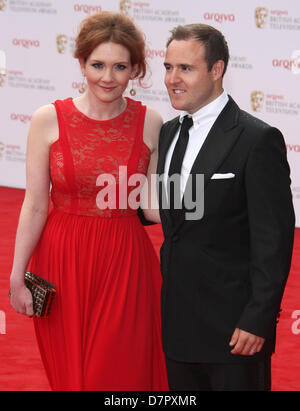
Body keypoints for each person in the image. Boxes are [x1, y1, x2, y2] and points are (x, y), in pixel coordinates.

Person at [9, 11, 168, 391]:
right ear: (81, 62)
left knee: (115, 374)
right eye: (97, 64)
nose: (108, 78)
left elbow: (150, 205)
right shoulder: (47, 119)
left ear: (136, 70)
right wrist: (17, 275)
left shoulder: (151, 122)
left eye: (120, 67)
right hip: (62, 260)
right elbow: (35, 204)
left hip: (125, 260)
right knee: (71, 376)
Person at [156, 23, 295, 391]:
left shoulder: (257, 139)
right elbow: (176, 214)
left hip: (234, 331)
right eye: (168, 67)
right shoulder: (169, 132)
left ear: (216, 70)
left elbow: (274, 241)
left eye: (185, 68)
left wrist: (258, 318)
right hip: (177, 327)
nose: (172, 79)